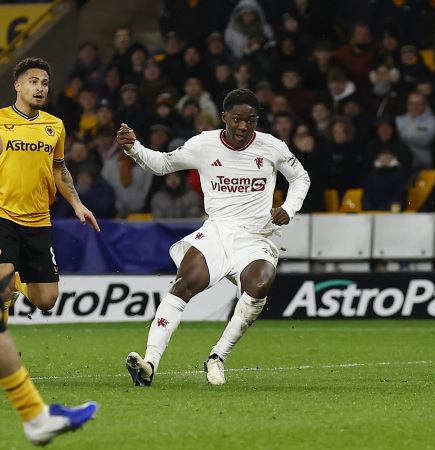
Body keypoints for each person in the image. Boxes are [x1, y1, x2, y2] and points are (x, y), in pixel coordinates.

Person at [116, 88, 310, 386]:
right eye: (237, 120)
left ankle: (217, 356)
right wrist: (134, 148)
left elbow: (300, 177)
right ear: (224, 118)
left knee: (260, 283)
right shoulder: (204, 144)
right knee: (183, 285)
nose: (244, 127)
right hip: (217, 232)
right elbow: (164, 164)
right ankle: (150, 363)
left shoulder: (272, 146)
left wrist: (289, 207)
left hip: (255, 237)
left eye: (251, 120)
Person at [0, 57, 100, 322]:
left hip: (38, 219)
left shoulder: (54, 126)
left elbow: (59, 170)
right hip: (3, 215)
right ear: (18, 86)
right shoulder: (0, 121)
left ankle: (18, 280)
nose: (40, 88)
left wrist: (78, 204)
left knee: (46, 300)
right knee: (1, 284)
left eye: (44, 83)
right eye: (33, 82)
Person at [0, 269, 98, 446]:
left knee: (47, 298)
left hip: (31, 240)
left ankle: (36, 417)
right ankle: (35, 416)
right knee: (3, 286)